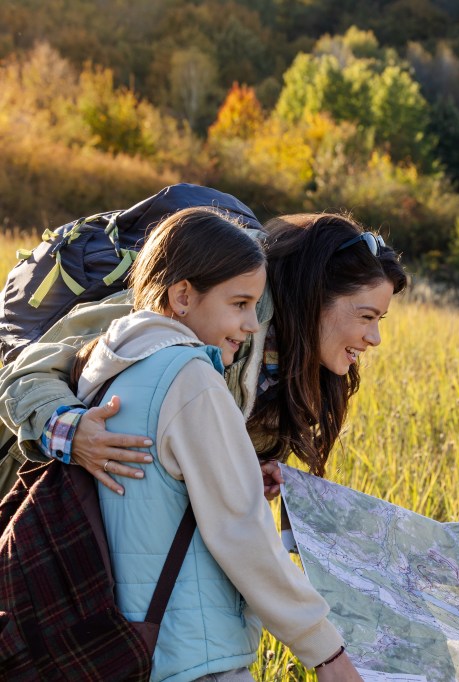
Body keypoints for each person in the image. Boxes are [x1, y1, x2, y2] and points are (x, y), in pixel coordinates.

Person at [68, 206, 357, 680]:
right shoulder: (192, 379)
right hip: (195, 653)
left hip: (128, 648)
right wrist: (326, 652)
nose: (250, 326)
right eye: (239, 304)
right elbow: (241, 531)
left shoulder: (105, 367)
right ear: (183, 296)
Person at [0, 211, 407, 498]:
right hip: (30, 498)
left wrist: (247, 470)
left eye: (380, 320)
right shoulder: (206, 301)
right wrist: (74, 434)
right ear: (314, 297)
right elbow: (26, 372)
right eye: (366, 316)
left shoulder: (293, 368)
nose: (374, 338)